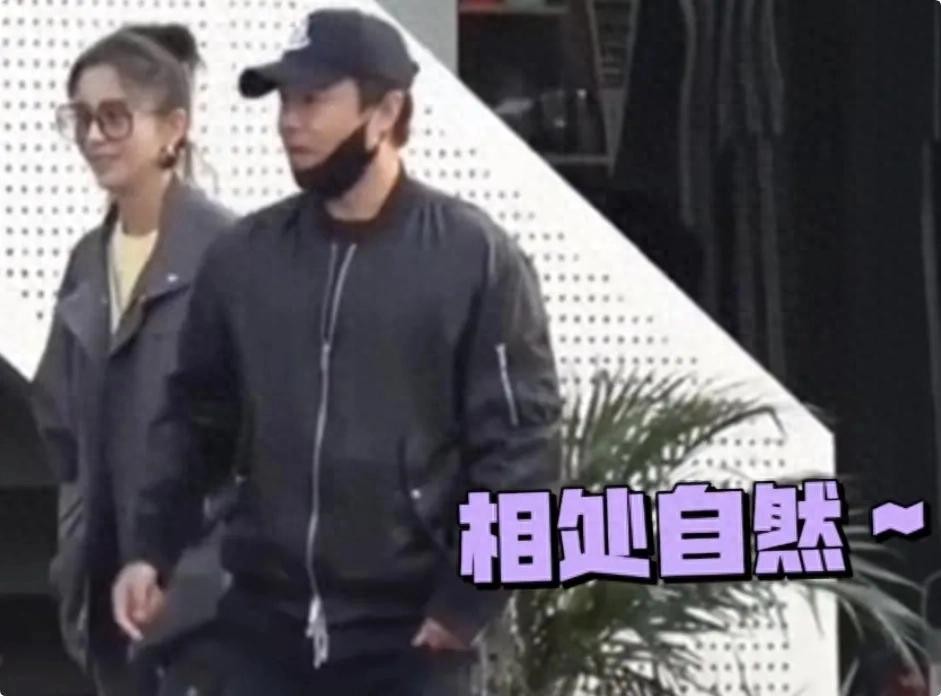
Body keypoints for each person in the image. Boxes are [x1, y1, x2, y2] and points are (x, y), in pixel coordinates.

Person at [112, 8, 564, 695]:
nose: (289, 122)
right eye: (284, 102)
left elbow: (521, 450)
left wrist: (467, 603)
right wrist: (151, 551)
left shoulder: (473, 258)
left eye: (313, 100)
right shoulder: (244, 258)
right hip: (261, 629)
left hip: (411, 640)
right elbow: (194, 422)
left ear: (385, 113)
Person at [30, 24, 234, 696]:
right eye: (81, 118)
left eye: (114, 117)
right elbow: (58, 420)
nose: (94, 136)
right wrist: (74, 545)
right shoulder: (87, 262)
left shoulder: (228, 256)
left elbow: (260, 442)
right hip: (105, 599)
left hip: (208, 608)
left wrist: (198, 575)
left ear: (173, 127)